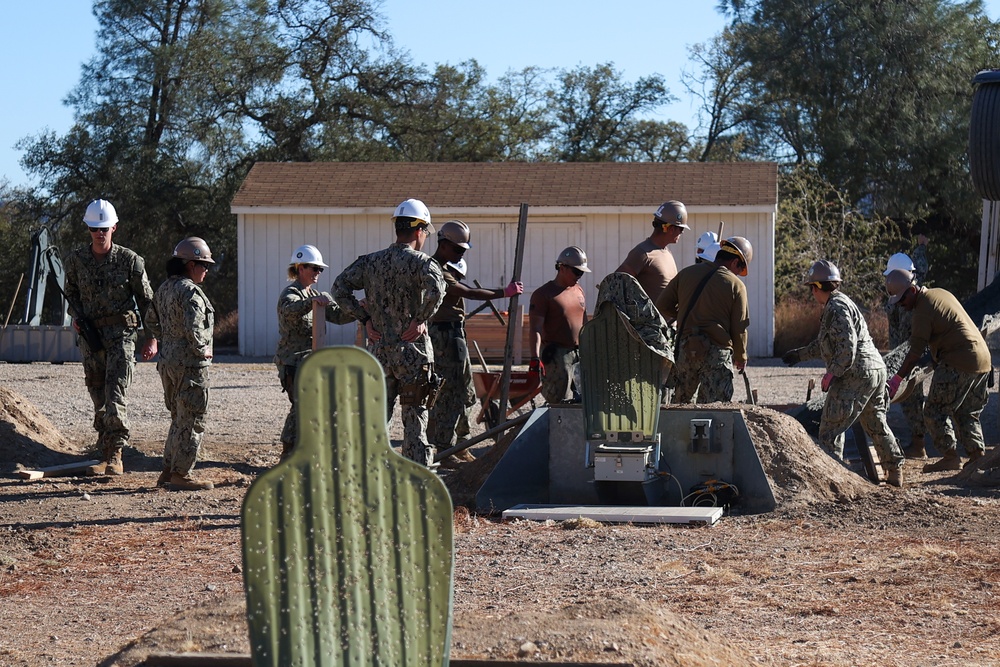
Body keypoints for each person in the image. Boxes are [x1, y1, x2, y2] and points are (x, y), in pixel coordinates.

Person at [333, 198, 446, 468]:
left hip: (380, 355)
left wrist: (365, 318)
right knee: (415, 424)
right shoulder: (422, 263)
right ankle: (416, 484)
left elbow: (339, 288)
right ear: (419, 230)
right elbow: (438, 290)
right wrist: (420, 318)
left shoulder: (370, 262)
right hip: (413, 356)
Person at [782, 261, 904, 486]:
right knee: (875, 421)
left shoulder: (836, 308)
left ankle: (835, 480)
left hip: (857, 372)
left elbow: (847, 348)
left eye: (812, 288)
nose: (812, 293)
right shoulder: (841, 303)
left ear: (818, 287)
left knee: (830, 429)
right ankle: (894, 471)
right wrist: (799, 356)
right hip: (875, 370)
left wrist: (833, 373)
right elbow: (828, 344)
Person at [63, 199, 158, 477]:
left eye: (104, 228)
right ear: (88, 229)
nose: (99, 233)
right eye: (94, 228)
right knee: (97, 394)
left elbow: (147, 302)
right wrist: (77, 319)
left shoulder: (130, 261)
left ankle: (115, 453)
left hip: (121, 337)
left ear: (114, 227)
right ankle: (103, 447)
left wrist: (151, 338)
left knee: (115, 391)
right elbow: (72, 296)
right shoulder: (76, 261)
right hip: (91, 338)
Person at [427, 221, 522, 464]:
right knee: (452, 391)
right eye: (458, 250)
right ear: (444, 244)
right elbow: (467, 292)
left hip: (452, 333)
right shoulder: (435, 269)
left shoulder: (442, 267)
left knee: (464, 390)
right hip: (445, 335)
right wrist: (505, 292)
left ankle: (459, 444)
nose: (460, 255)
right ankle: (445, 447)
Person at [885, 269, 991, 473]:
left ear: (913, 290)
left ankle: (950, 457)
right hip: (983, 359)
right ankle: (977, 457)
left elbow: (915, 350)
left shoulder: (922, 308)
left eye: (902, 300)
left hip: (959, 360)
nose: (901, 305)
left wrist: (898, 378)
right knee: (965, 411)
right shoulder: (941, 293)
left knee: (934, 410)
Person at [145, 238, 216, 491]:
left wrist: (169, 341)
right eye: (202, 264)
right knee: (193, 418)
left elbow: (150, 321)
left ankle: (169, 468)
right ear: (189, 264)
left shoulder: (164, 289)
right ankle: (182, 473)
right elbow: (195, 328)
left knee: (178, 417)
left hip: (168, 361)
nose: (206, 269)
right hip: (191, 365)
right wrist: (201, 349)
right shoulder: (191, 292)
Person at [274, 244, 356, 461]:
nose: (318, 273)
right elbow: (290, 311)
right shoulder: (291, 294)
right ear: (300, 268)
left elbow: (337, 316)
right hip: (293, 361)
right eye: (314, 268)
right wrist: (311, 302)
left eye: (320, 270)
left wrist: (360, 309)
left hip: (310, 360)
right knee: (302, 404)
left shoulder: (315, 294)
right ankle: (289, 450)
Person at [655, 236, 752, 403]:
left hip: (686, 351)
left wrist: (685, 315)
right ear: (736, 262)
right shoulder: (736, 285)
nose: (739, 273)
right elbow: (739, 328)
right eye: (741, 268)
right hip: (717, 355)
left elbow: (662, 304)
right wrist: (740, 356)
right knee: (714, 409)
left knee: (681, 406)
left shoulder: (686, 273)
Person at [530, 246, 590, 404]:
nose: (579, 276)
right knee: (558, 400)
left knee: (583, 399)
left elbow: (584, 322)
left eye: (581, 273)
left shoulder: (578, 290)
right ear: (562, 267)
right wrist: (535, 358)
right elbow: (535, 329)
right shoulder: (543, 294)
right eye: (576, 272)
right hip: (557, 354)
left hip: (579, 353)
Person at [883, 253, 927, 458]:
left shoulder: (909, 298)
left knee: (912, 398)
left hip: (909, 355)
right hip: (901, 353)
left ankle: (919, 445)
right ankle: (919, 442)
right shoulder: (904, 291)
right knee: (910, 398)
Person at [616, 201, 689, 316]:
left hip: (668, 329)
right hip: (649, 331)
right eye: (681, 229)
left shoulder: (666, 252)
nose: (682, 232)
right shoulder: (643, 253)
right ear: (670, 229)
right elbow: (616, 284)